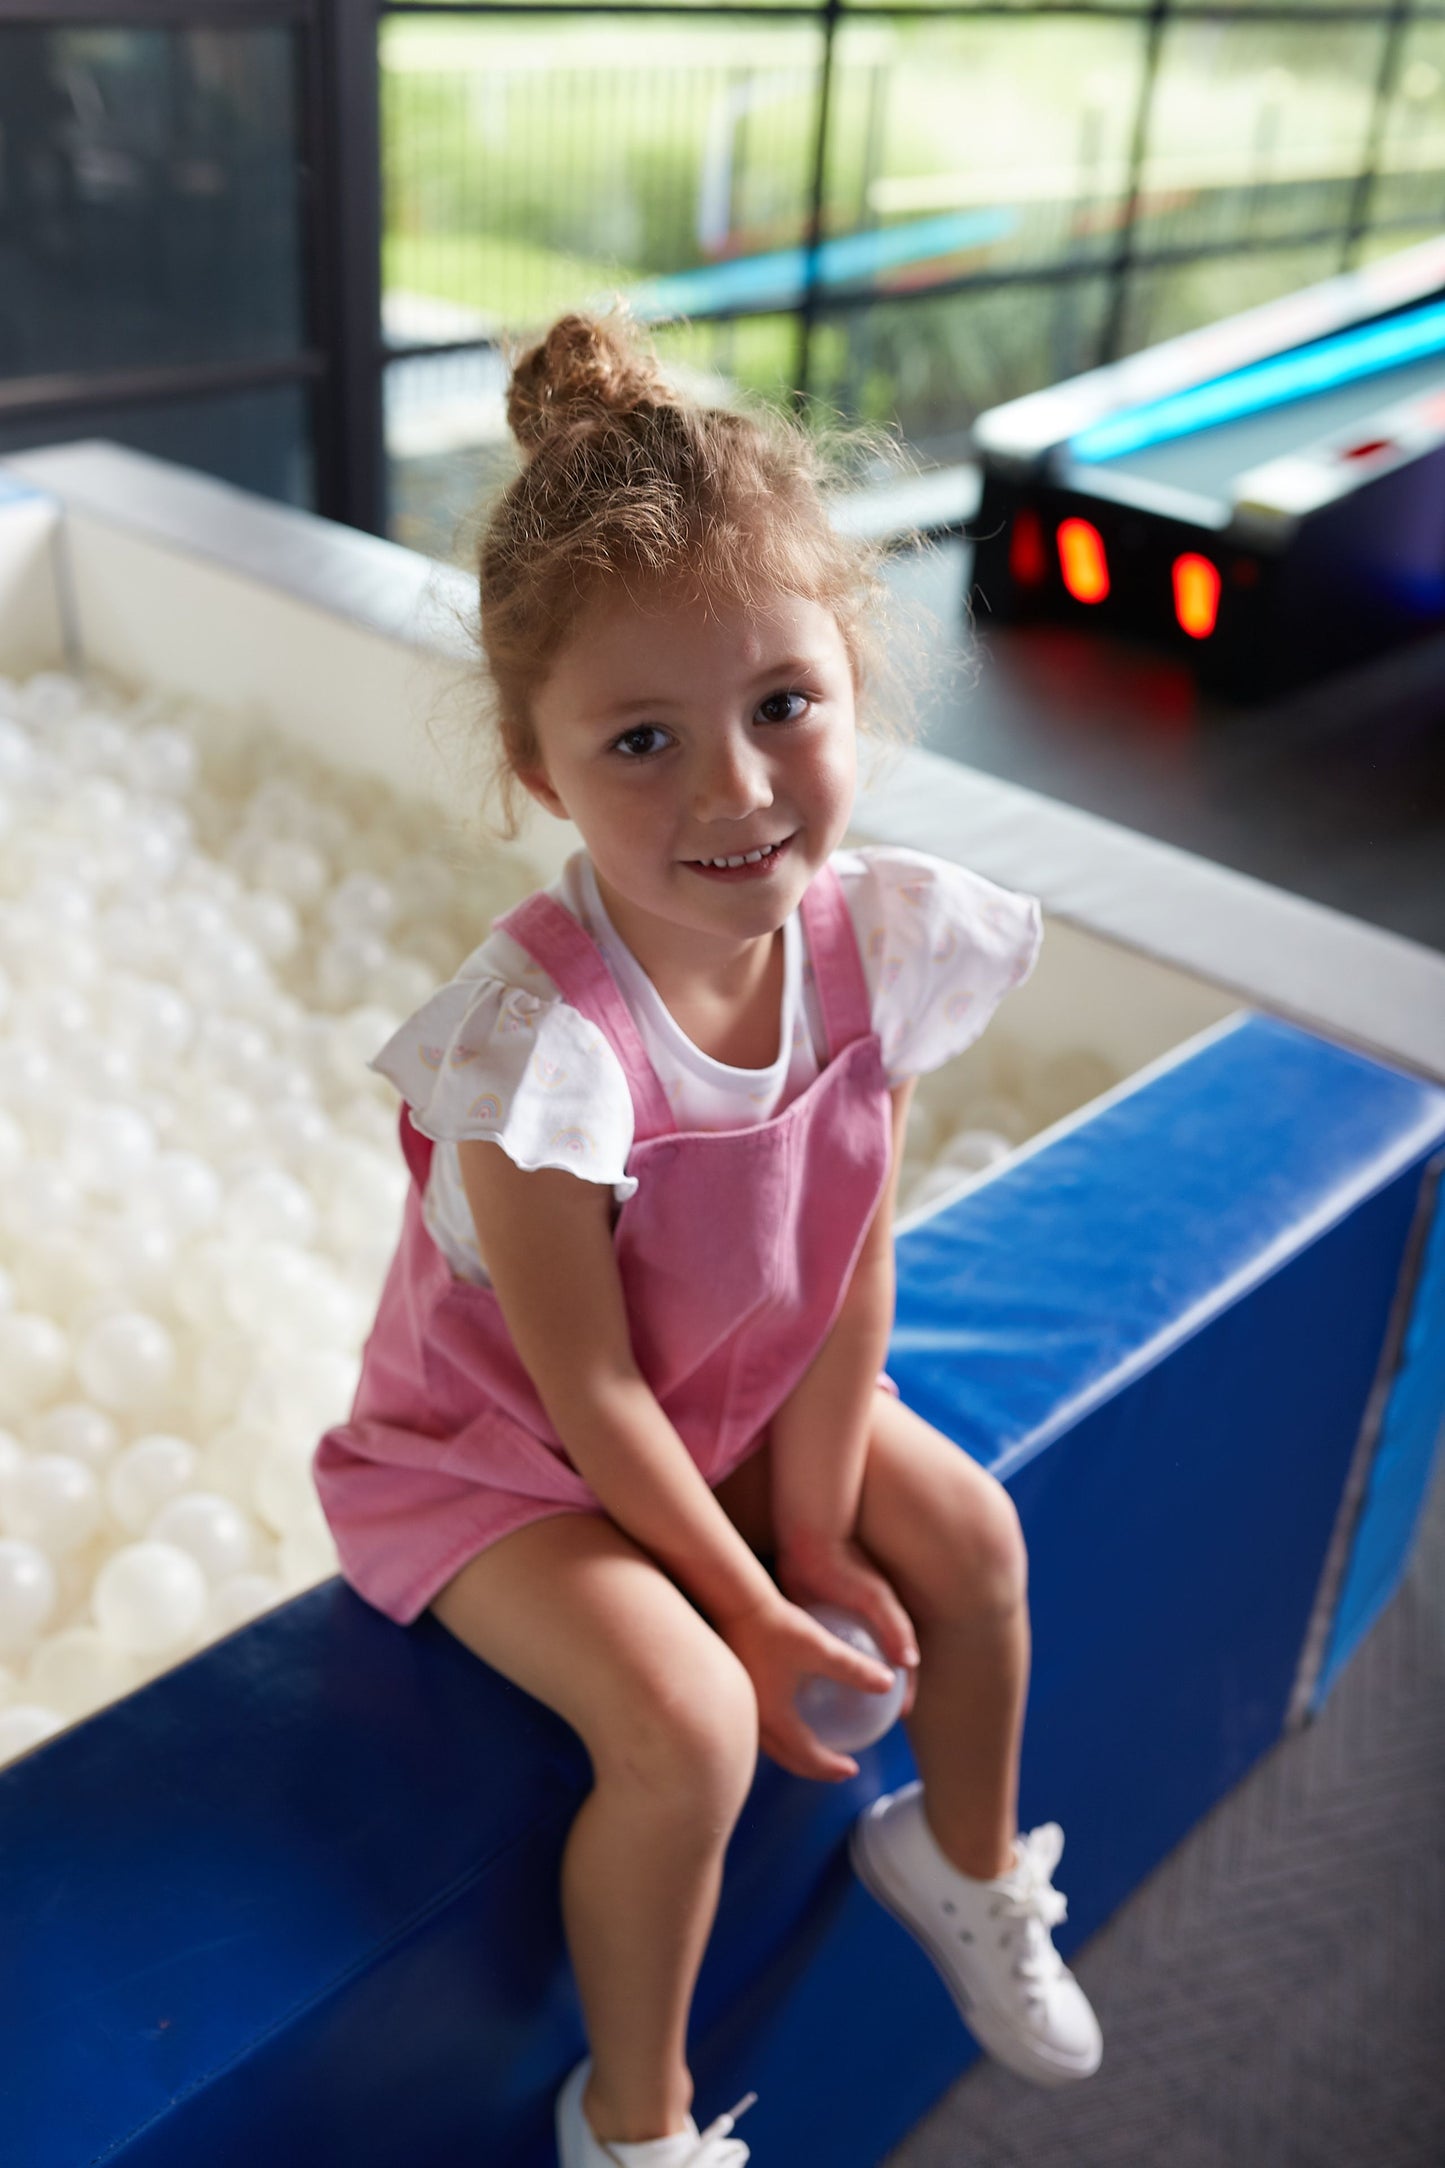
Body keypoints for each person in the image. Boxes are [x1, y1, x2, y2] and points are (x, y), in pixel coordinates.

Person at [312, 305, 1102, 2168]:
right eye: (643, 740)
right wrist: (748, 1609)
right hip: (506, 1462)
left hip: (734, 1398)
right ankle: (637, 2117)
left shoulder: (871, 940)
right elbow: (580, 1390)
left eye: (780, 707)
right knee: (687, 1729)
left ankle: (961, 1857)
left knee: (970, 1538)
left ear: (853, 673)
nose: (735, 793)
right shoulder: (544, 1050)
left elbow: (845, 1251)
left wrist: (817, 1515)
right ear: (537, 766)